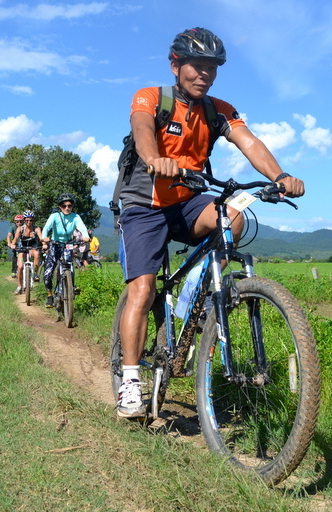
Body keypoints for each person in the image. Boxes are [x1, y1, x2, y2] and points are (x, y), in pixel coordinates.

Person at [116, 27, 305, 418]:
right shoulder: (151, 97)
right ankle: (131, 381)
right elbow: (142, 132)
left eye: (211, 68)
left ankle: (202, 298)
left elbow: (248, 141)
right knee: (143, 289)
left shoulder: (218, 109)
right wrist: (155, 159)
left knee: (233, 214)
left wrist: (280, 177)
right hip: (143, 204)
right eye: (196, 66)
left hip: (186, 202)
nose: (203, 74)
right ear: (175, 64)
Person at [41, 193, 90, 307]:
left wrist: (85, 236)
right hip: (55, 244)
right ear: (60, 206)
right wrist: (44, 238)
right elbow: (46, 228)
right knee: (48, 273)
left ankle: (71, 286)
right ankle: (49, 296)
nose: (67, 208)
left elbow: (82, 227)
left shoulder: (75, 217)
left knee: (69, 265)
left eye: (70, 205)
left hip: (68, 244)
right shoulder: (55, 216)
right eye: (64, 206)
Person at [12, 210, 43, 294]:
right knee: (20, 267)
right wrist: (12, 244)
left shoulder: (36, 229)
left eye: (31, 220)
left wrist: (44, 244)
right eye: (27, 220)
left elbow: (41, 238)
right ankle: (19, 286)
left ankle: (36, 273)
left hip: (33, 247)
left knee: (37, 254)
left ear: (33, 220)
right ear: (24, 220)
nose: (29, 222)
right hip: (22, 248)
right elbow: (15, 238)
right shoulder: (20, 229)